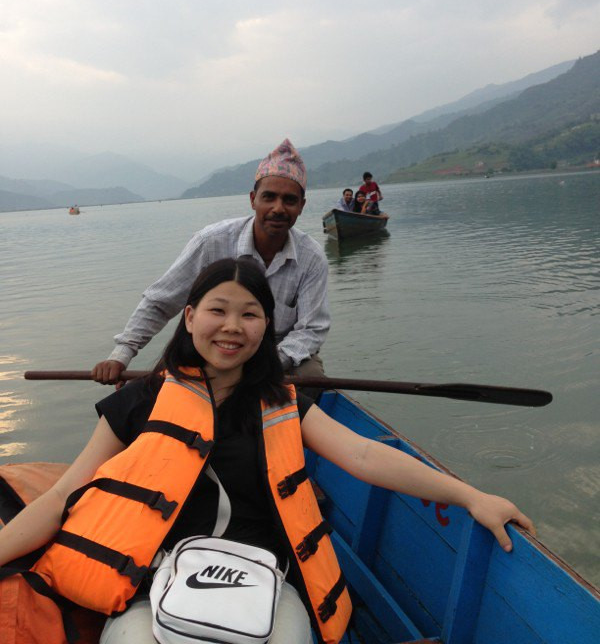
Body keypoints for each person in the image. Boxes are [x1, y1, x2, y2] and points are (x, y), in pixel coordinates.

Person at [0, 258, 535, 644]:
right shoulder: (139, 402)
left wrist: (471, 496)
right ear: (189, 317)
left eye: (250, 315)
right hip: (158, 582)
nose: (232, 327)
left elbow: (365, 457)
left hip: (266, 584)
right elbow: (65, 496)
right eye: (218, 310)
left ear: (267, 327)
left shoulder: (282, 404)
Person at [92, 139, 328, 386]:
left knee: (311, 377)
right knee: (151, 391)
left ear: (301, 206)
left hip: (275, 355)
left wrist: (264, 365)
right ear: (253, 200)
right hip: (211, 346)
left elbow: (311, 329)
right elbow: (161, 301)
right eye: (269, 197)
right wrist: (121, 354)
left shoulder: (311, 258)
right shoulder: (212, 242)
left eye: (289, 200)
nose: (278, 208)